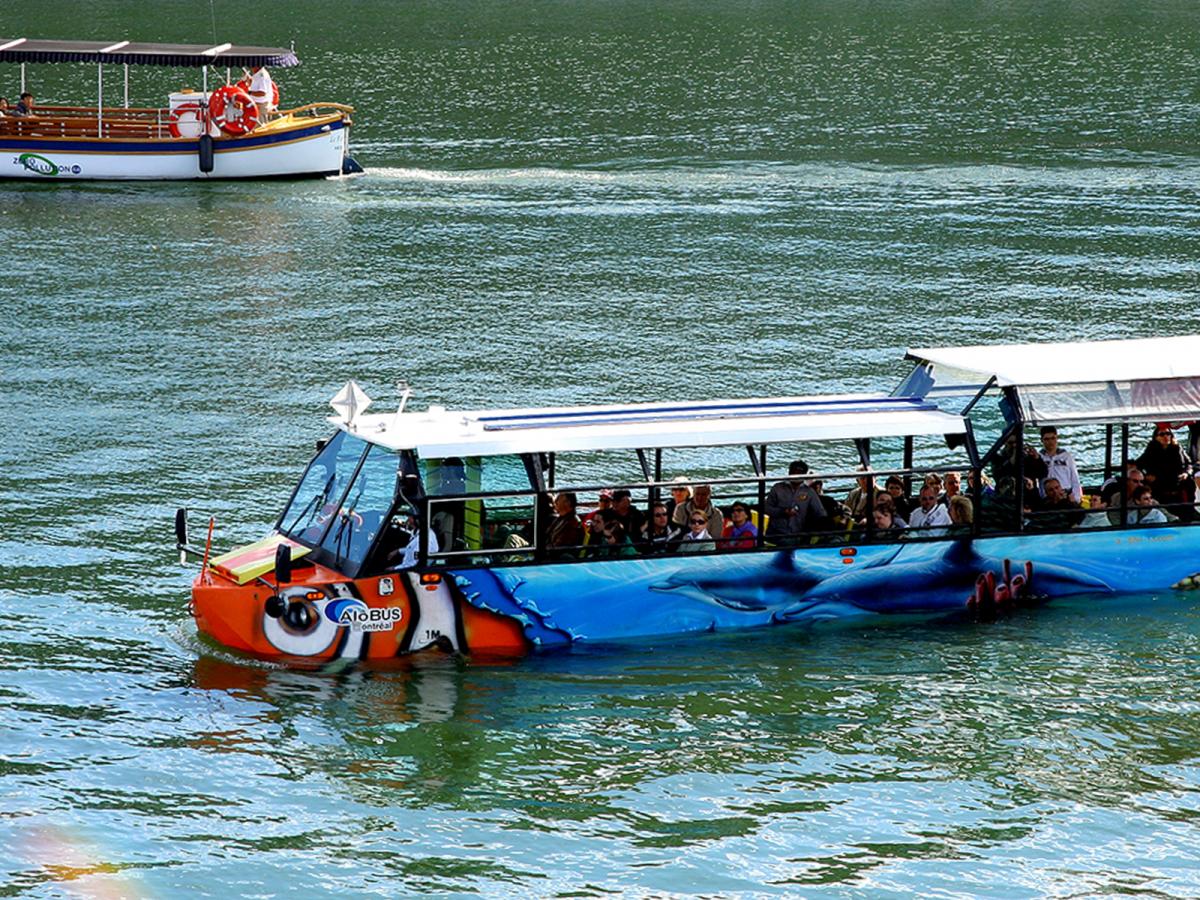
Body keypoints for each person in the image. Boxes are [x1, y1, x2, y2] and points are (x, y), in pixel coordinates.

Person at [764, 460, 828, 545]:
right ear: (789, 472)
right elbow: (767, 509)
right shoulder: (777, 488)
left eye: (799, 473)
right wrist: (783, 512)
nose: (796, 475)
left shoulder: (809, 492)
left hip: (798, 534)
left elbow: (820, 513)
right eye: (793, 472)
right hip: (776, 533)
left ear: (804, 475)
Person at [1137, 423, 1191, 515]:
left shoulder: (1177, 448)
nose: (1166, 437)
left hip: (1176, 483)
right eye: (1162, 434)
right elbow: (1138, 465)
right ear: (1156, 437)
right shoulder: (1151, 450)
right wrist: (1146, 476)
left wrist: (1186, 473)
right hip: (1159, 485)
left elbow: (1189, 464)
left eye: (1168, 434)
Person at [1038, 426, 1082, 503]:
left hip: (1065, 494)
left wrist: (1076, 498)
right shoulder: (1039, 458)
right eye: (1047, 439)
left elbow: (1075, 478)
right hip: (1047, 497)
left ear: (1057, 438)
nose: (1050, 442)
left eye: (1053, 438)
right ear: (1041, 440)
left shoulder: (1066, 456)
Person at [546, 491, 584, 557]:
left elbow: (559, 547)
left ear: (567, 503)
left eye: (559, 498)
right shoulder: (560, 518)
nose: (555, 501)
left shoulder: (573, 524)